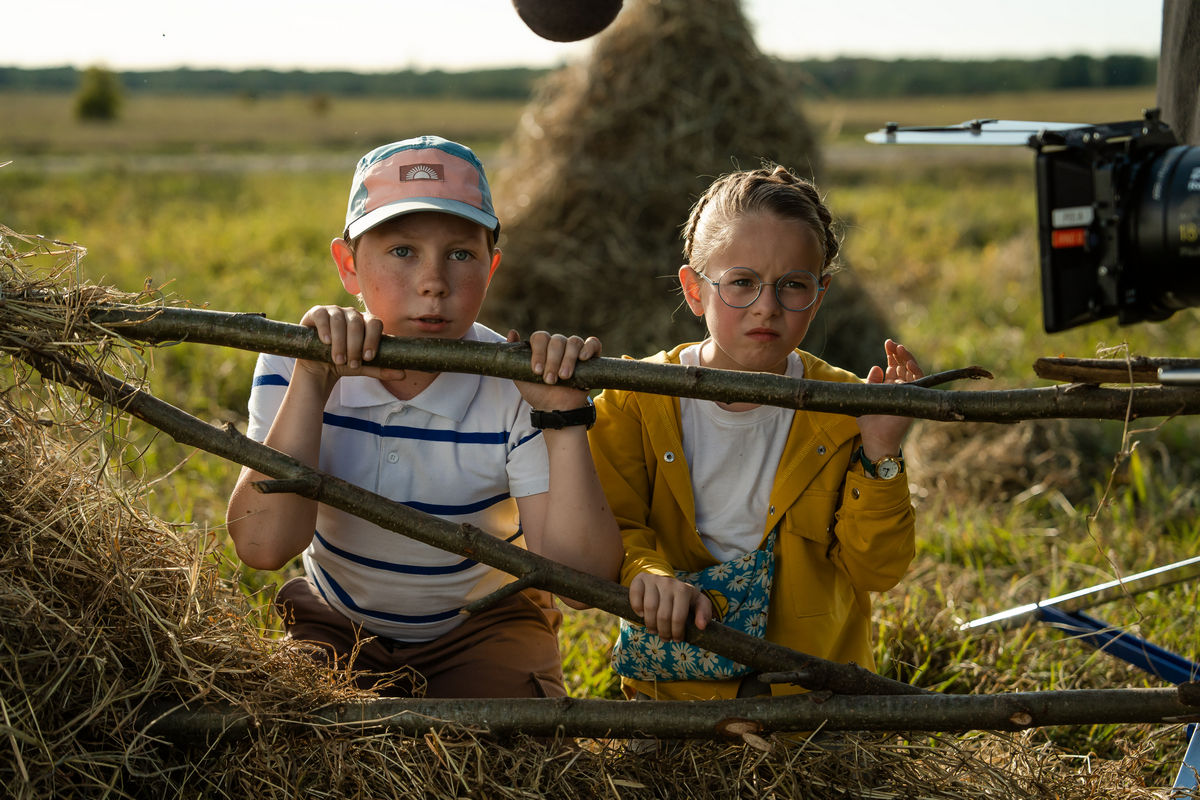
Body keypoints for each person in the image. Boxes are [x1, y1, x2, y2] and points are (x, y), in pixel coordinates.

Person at [226, 135, 622, 699]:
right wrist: (313, 381)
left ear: (492, 266)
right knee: (292, 735)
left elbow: (582, 582)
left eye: (461, 254)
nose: (434, 280)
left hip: (481, 624)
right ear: (348, 265)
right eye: (402, 251)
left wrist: (561, 417)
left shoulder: (516, 387)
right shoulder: (293, 363)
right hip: (337, 617)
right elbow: (262, 549)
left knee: (505, 752)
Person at [590, 165, 923, 701]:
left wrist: (880, 452)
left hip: (814, 706)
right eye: (742, 283)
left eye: (793, 285)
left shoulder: (844, 406)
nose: (767, 306)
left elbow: (877, 570)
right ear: (694, 290)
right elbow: (613, 525)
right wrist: (648, 572)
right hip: (673, 704)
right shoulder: (636, 398)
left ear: (819, 294)